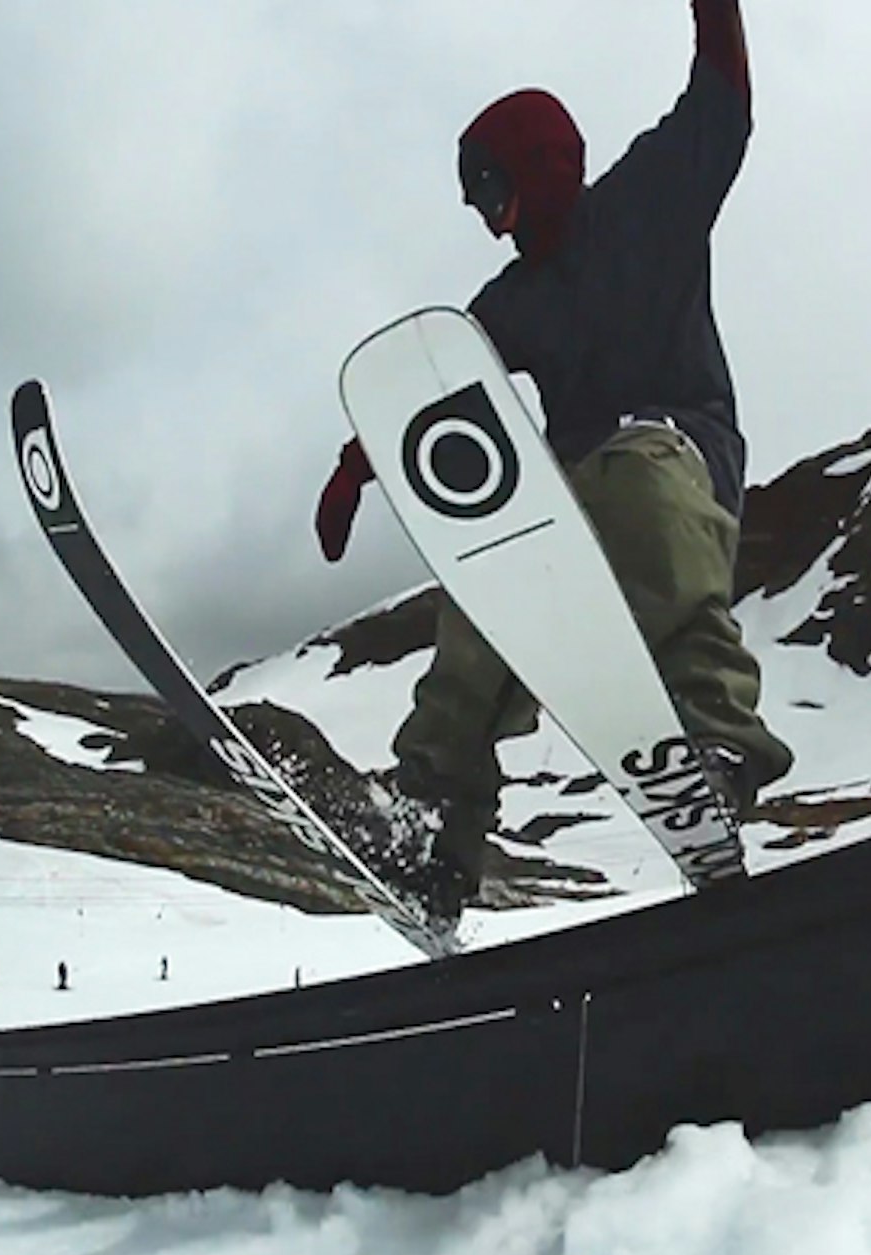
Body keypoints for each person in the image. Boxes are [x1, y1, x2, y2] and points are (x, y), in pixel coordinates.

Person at [314, 0, 792, 922]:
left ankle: (716, 736)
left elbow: (723, 102)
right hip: (573, 493)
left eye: (493, 195)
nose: (493, 225)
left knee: (633, 472)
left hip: (679, 452)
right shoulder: (512, 302)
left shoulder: (651, 196)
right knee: (491, 569)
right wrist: (354, 468)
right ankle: (437, 816)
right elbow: (437, 402)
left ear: (535, 167)